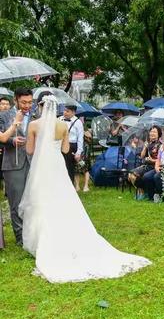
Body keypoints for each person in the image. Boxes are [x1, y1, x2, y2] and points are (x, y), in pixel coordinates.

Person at [17, 94, 150, 282]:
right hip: (57, 166)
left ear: (39, 106)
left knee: (41, 199)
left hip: (41, 167)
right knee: (62, 198)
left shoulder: (34, 125)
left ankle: (42, 239)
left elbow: (29, 151)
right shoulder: (62, 126)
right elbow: (65, 150)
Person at [0, 88, 34, 245]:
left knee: (33, 201)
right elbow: (1, 137)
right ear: (16, 100)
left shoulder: (37, 115)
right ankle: (21, 238)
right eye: (24, 102)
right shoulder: (4, 115)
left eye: (30, 102)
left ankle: (32, 234)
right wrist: (12, 141)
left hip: (33, 162)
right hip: (13, 164)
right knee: (17, 202)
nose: (27, 105)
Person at [128, 125, 162, 192]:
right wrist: (145, 147)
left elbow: (161, 160)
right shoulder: (148, 144)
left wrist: (152, 160)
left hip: (154, 166)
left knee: (141, 176)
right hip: (146, 166)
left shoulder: (160, 145)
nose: (152, 133)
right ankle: (141, 189)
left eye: (154, 132)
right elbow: (142, 156)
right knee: (130, 175)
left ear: (159, 134)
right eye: (151, 131)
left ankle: (142, 191)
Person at [59, 105, 84, 184]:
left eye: (67, 111)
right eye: (64, 110)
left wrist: (79, 152)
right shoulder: (59, 119)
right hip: (59, 144)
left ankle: (70, 186)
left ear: (73, 112)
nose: (65, 113)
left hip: (71, 145)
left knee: (69, 167)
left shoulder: (78, 122)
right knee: (60, 165)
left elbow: (80, 138)